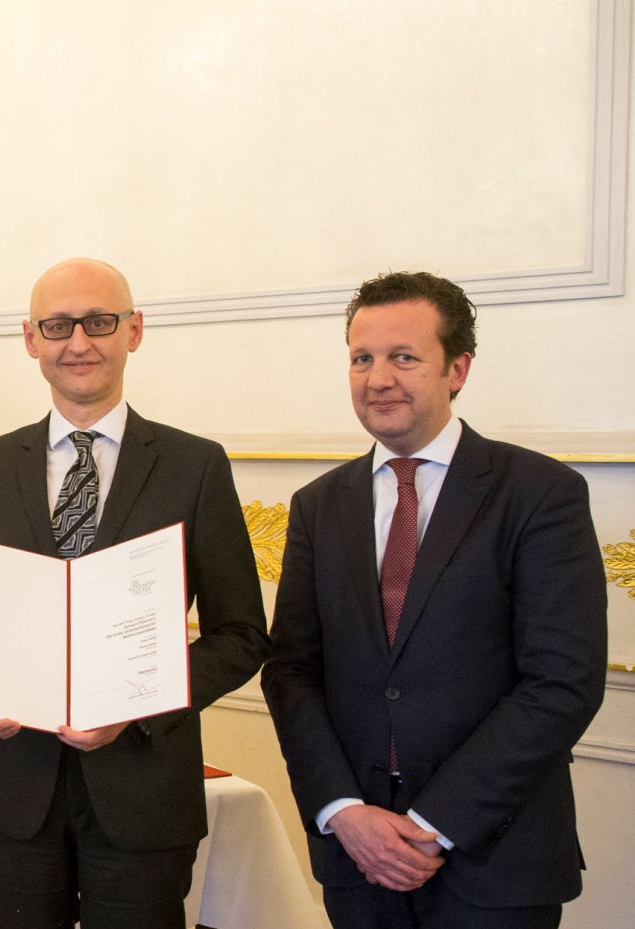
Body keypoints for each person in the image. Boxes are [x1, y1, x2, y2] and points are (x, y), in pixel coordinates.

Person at [262, 271, 606, 928]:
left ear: (458, 369)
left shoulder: (540, 493)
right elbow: (291, 672)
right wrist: (342, 811)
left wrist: (433, 822)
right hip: (357, 859)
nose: (378, 379)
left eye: (404, 357)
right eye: (362, 358)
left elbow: (562, 682)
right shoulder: (318, 505)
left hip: (495, 860)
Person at [0, 258, 269, 929]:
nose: (79, 342)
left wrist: (136, 706)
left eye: (98, 322)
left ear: (134, 330)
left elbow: (241, 634)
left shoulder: (194, 465)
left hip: (144, 788)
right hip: (14, 787)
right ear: (31, 338)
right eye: (58, 325)